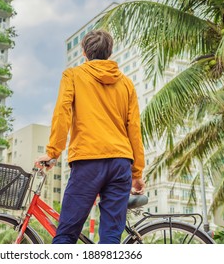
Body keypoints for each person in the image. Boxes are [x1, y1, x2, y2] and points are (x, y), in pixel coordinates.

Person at [35, 29, 145, 244]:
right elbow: (134, 128)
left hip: (87, 162)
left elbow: (62, 114)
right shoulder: (126, 84)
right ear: (109, 53)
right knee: (111, 237)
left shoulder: (73, 75)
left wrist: (52, 153)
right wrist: (137, 172)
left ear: (84, 52)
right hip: (120, 163)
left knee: (67, 234)